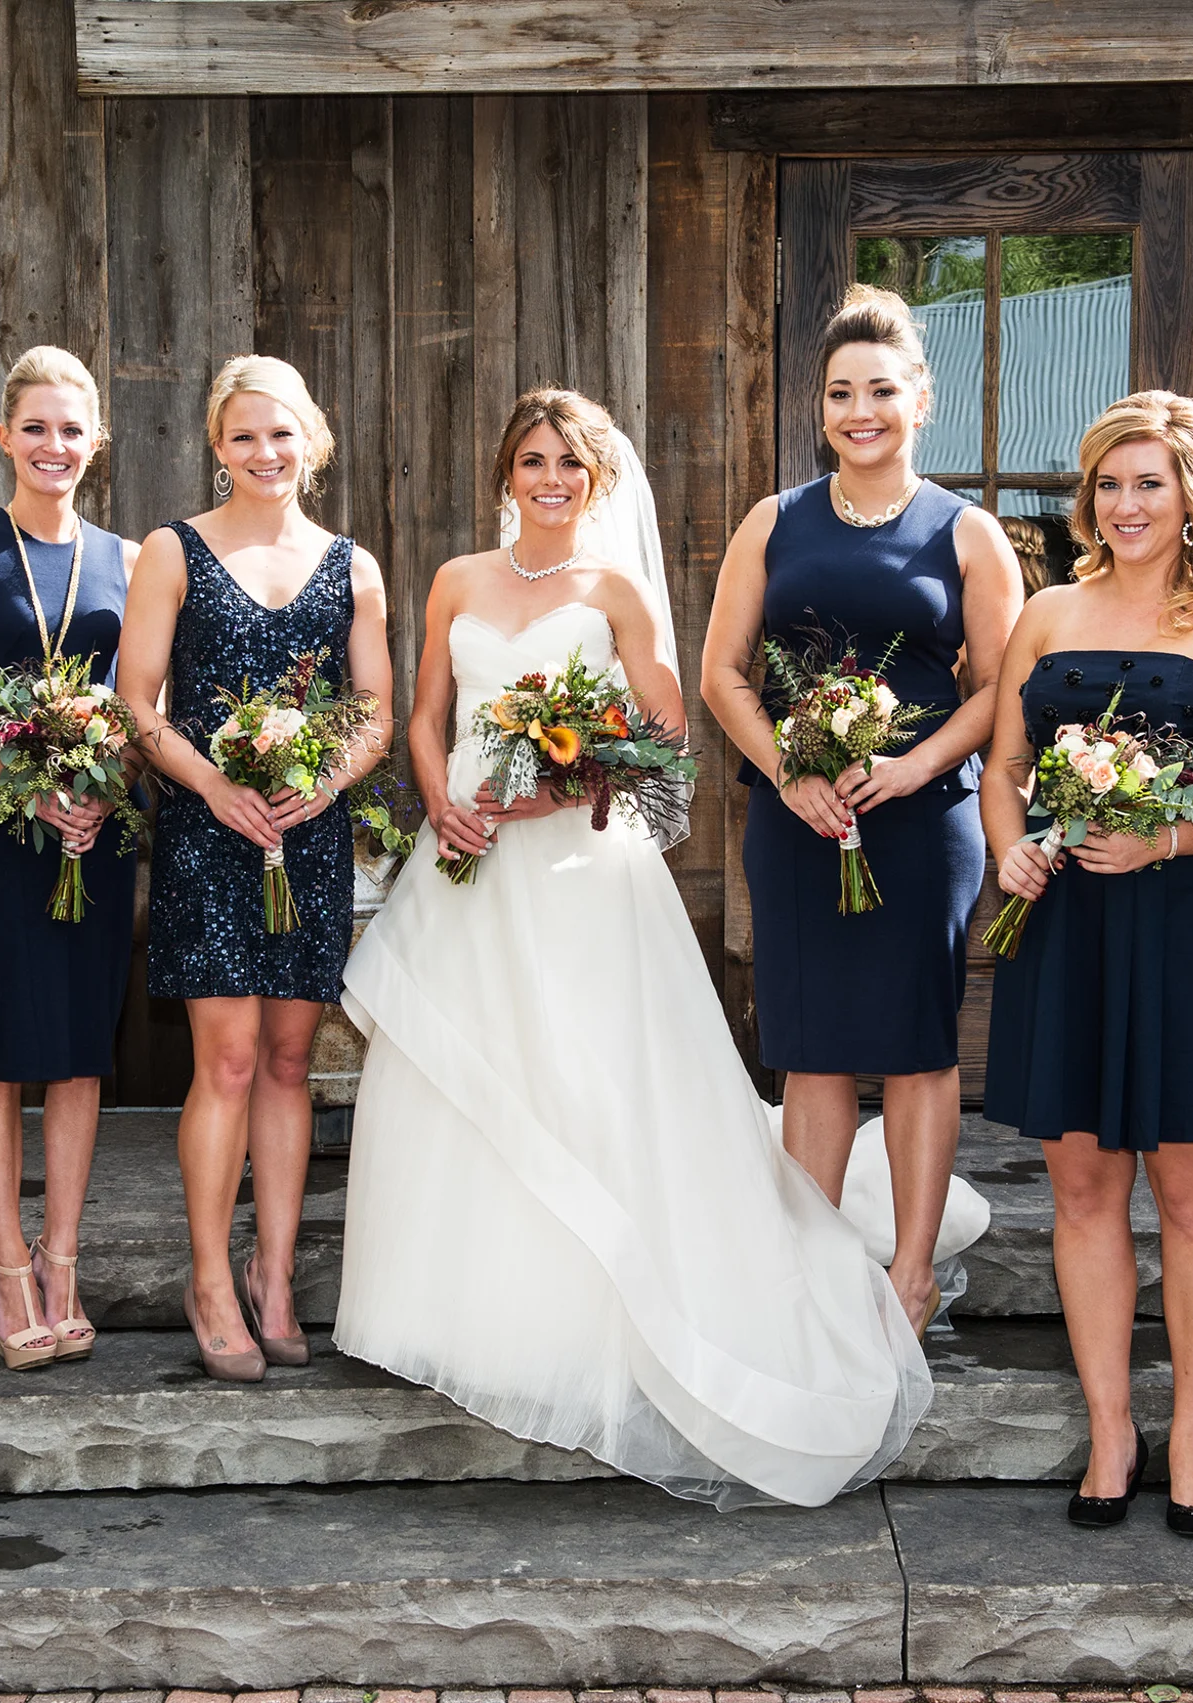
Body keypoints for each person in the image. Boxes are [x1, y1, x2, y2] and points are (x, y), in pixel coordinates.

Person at [339, 388, 968, 1508]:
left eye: (568, 464)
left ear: (595, 481)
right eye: (532, 460)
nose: (550, 480)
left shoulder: (615, 590)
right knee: (460, 1073)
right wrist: (441, 801)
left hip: (575, 866)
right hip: (466, 857)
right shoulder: (456, 580)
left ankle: (584, 1316)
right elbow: (427, 714)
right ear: (506, 472)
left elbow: (666, 729)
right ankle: (453, 1313)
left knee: (583, 1077)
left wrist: (559, 782)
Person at [981, 390, 1193, 1537]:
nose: (1125, 504)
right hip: (1068, 923)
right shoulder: (1047, 611)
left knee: (1191, 1196)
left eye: (1147, 483)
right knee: (1080, 1189)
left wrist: (1170, 838)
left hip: (1191, 927)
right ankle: (1111, 1429)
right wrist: (1007, 846)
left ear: (1189, 494)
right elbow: (1004, 766)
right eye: (1108, 484)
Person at [700, 283, 1023, 1338]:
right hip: (795, 822)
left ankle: (910, 1274)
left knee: (918, 1045)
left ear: (919, 399)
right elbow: (722, 673)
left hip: (921, 820)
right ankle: (808, 1273)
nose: (860, 411)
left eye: (881, 390)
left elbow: (1003, 687)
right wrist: (785, 773)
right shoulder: (773, 520)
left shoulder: (968, 533)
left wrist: (915, 765)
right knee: (814, 1046)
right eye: (841, 393)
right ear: (822, 407)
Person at [119, 355, 394, 1383]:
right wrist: (211, 786)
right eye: (244, 435)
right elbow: (137, 700)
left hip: (307, 829)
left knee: (289, 1061)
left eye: (281, 433)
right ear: (217, 445)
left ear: (310, 441)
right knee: (227, 1062)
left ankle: (272, 1275)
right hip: (208, 830)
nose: (264, 452)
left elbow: (374, 711)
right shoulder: (173, 550)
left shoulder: (352, 566)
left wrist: (324, 780)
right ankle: (207, 1278)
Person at [0, 346, 137, 1370]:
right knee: (5, 1046)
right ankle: (7, 1263)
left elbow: (140, 704)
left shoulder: (129, 557)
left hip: (98, 830)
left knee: (81, 1049)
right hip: (3, 831)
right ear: (4, 435)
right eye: (36, 428)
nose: (55, 445)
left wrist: (99, 787)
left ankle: (63, 1259)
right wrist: (33, 789)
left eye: (72, 429)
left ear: (97, 441)